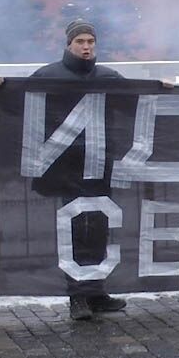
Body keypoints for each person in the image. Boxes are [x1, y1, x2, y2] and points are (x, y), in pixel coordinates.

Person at [29, 18, 127, 320]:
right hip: (66, 168)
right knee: (74, 231)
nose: (86, 47)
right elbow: (15, 104)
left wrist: (167, 88)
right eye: (80, 42)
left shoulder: (109, 77)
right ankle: (76, 296)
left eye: (90, 42)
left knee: (98, 229)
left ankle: (96, 291)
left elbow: (142, 100)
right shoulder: (48, 75)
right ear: (68, 44)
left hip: (99, 165)